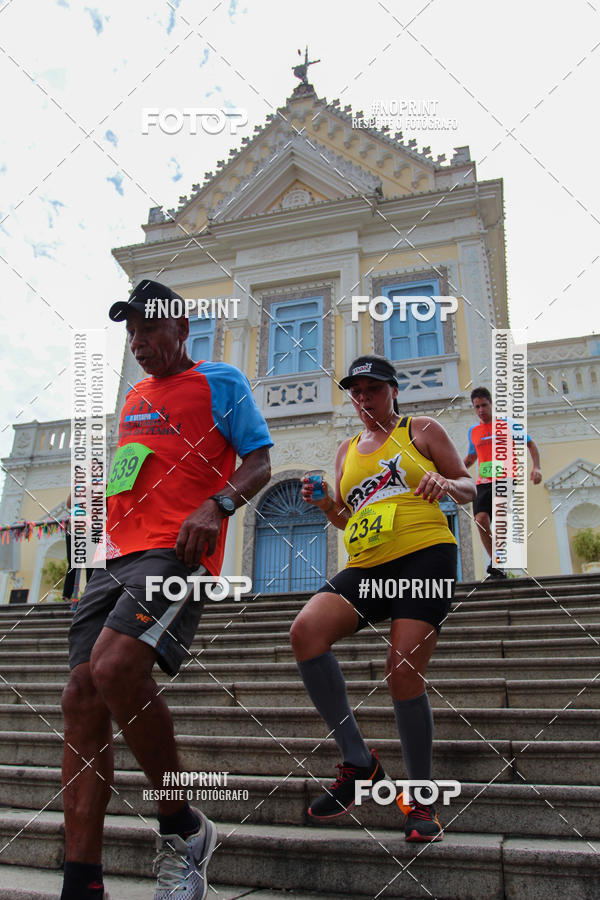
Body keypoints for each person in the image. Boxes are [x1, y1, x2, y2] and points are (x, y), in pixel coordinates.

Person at [60, 279, 272, 900]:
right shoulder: (134, 399)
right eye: (131, 332)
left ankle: (182, 827)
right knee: (80, 695)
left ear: (181, 328)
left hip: (176, 549)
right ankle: (82, 881)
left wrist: (217, 506)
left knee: (115, 666)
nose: (138, 342)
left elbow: (260, 460)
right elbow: (127, 477)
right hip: (115, 559)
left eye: (149, 328)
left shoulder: (219, 381)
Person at [290, 354, 476, 842]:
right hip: (366, 564)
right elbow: (347, 519)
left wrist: (445, 482)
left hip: (424, 555)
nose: (363, 398)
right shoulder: (347, 451)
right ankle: (359, 762)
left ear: (394, 390)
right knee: (305, 631)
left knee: (402, 670)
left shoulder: (422, 429)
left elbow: (469, 486)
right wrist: (326, 504)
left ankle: (421, 801)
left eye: (372, 389)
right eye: (356, 392)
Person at [463, 387, 542, 579]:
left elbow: (530, 444)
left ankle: (498, 561)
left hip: (505, 477)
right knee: (480, 519)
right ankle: (497, 563)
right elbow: (471, 457)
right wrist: (451, 472)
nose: (481, 410)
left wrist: (537, 467)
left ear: (491, 404)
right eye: (477, 407)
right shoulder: (473, 431)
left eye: (484, 405)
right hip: (483, 480)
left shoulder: (508, 424)